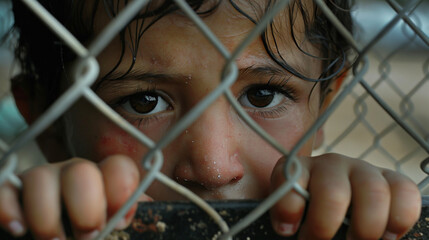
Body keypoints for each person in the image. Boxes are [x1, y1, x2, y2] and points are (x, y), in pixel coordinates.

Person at [0, 0, 422, 239]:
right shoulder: (40, 226)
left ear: (324, 104)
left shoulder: (340, 221)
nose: (214, 169)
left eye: (262, 95)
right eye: (144, 102)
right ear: (48, 120)